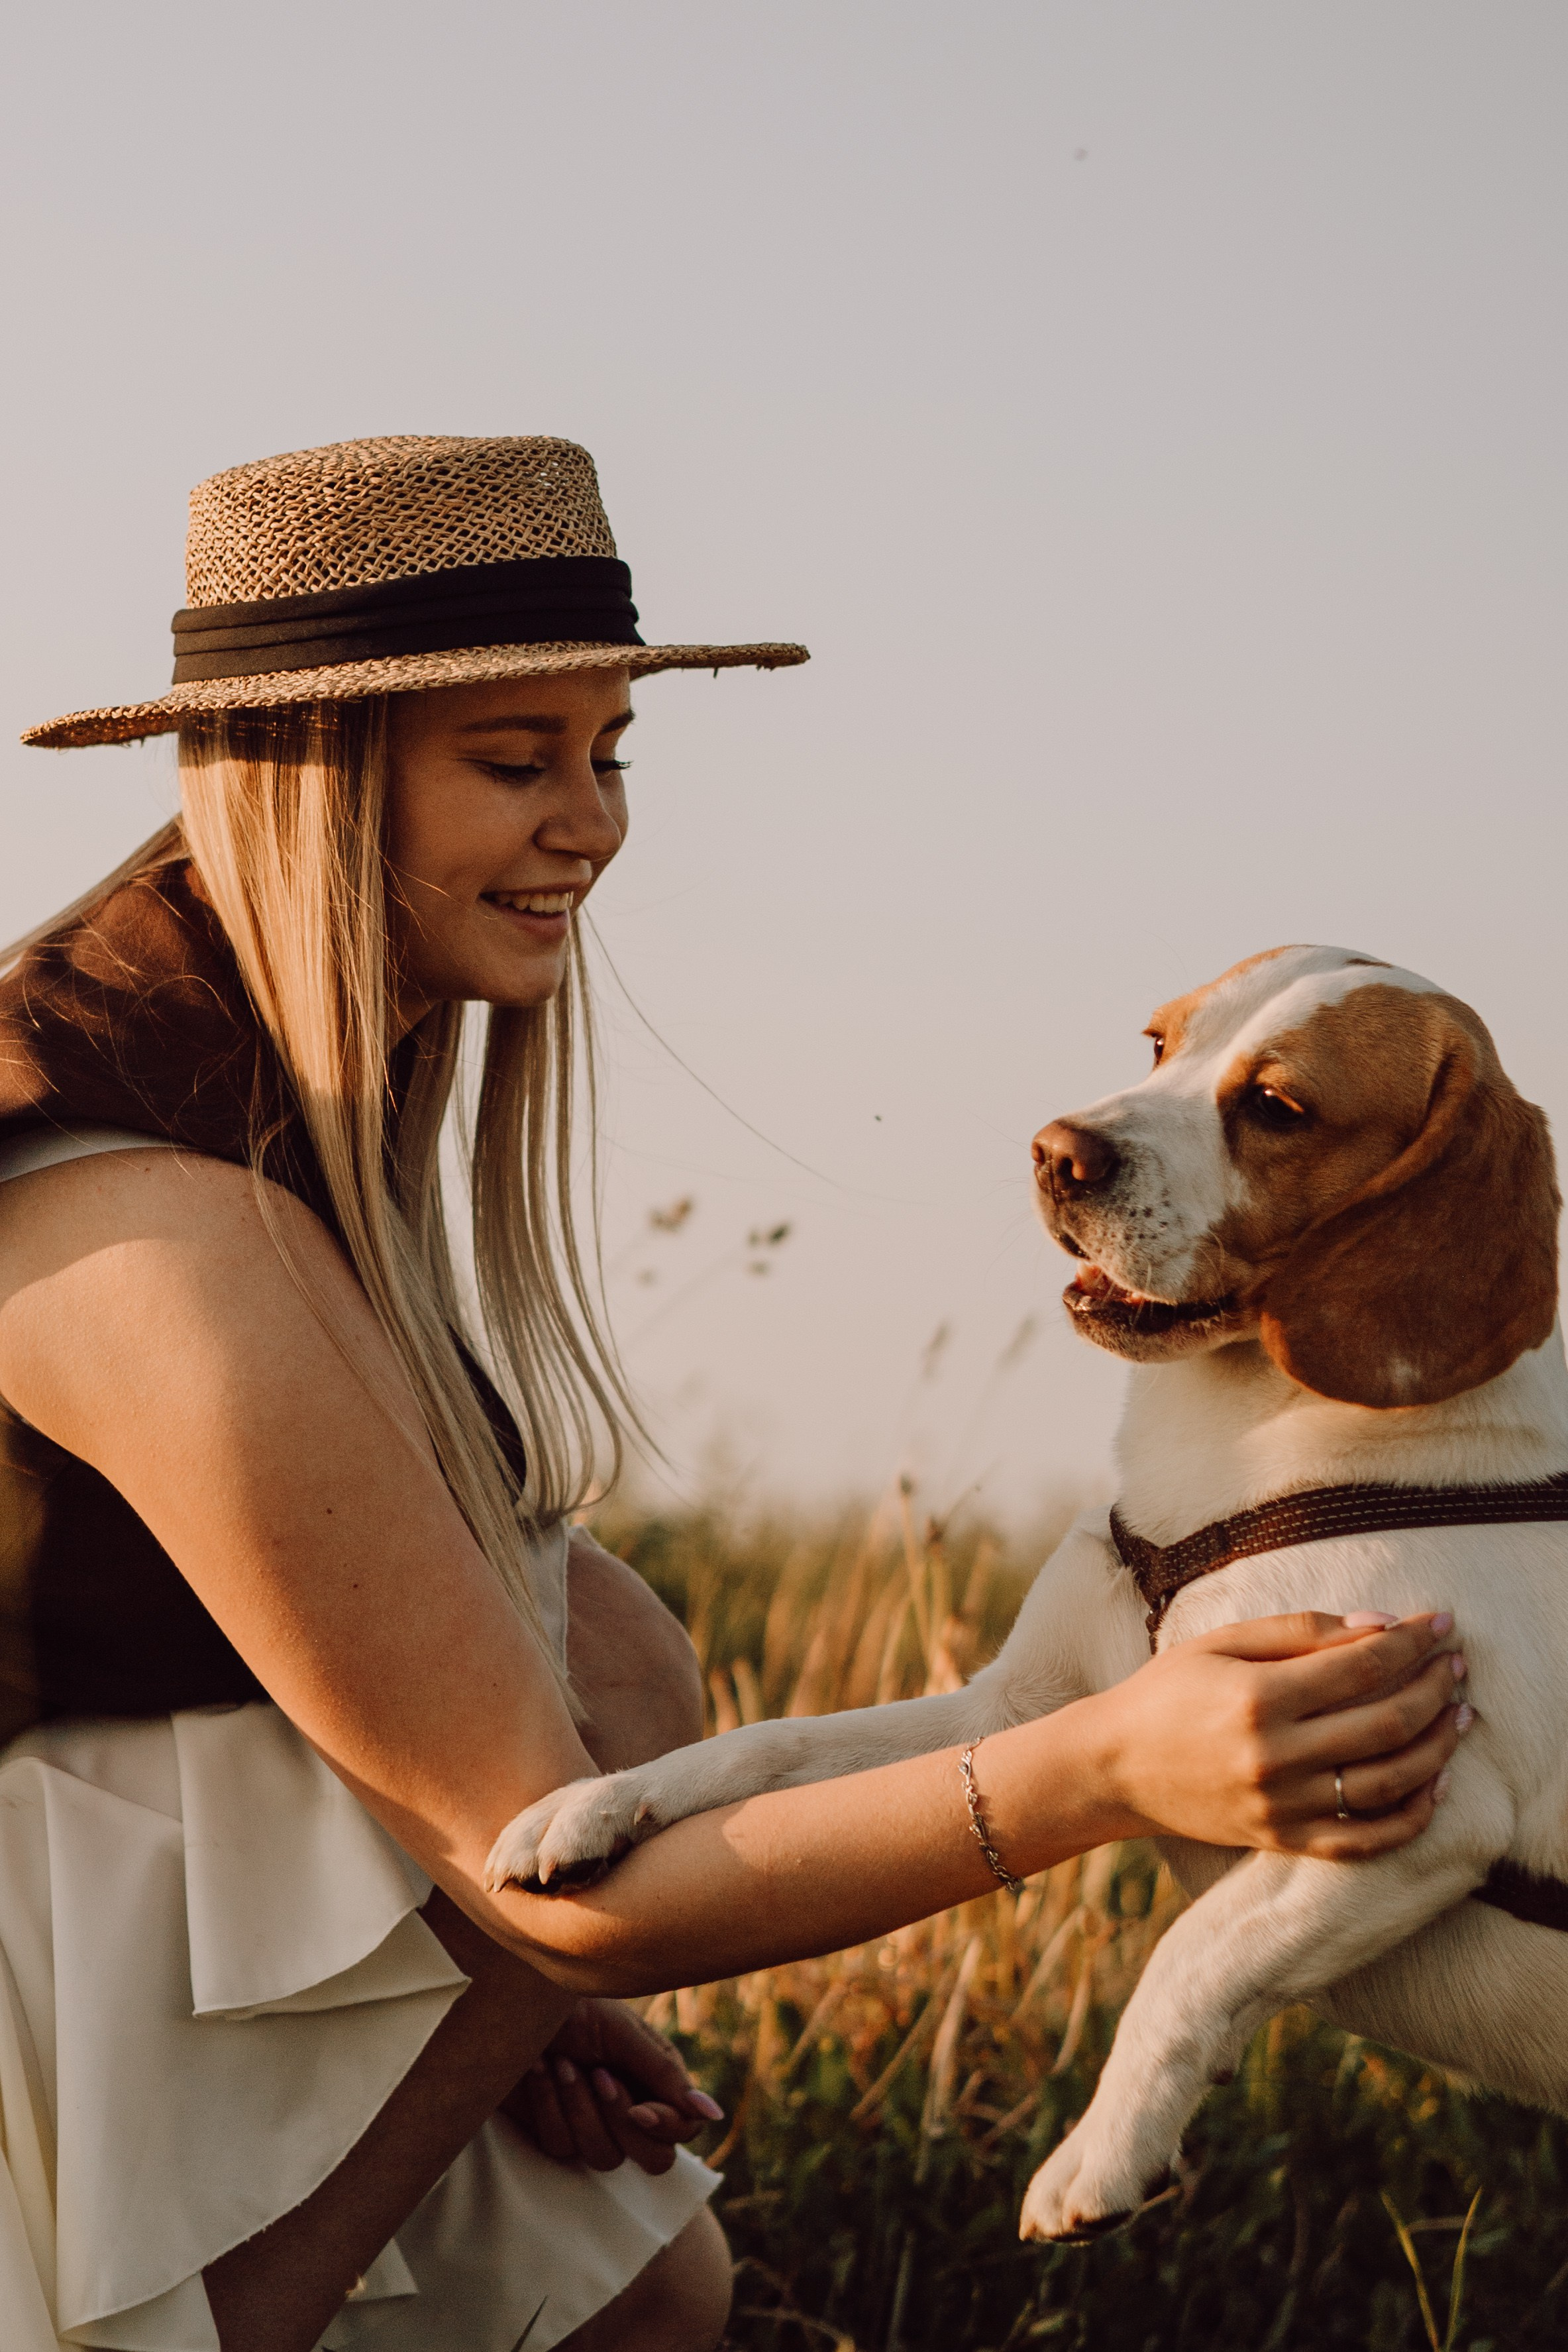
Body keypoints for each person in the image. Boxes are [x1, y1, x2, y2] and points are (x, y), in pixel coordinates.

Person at [0, 436, 1465, 2352]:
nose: (592, 824)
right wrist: (1108, 1763)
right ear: (319, 776)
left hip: (130, 1876)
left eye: (609, 755)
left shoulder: (265, 1056)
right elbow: (554, 1859)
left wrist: (489, 1997)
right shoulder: (144, 1214)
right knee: (600, 1720)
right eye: (515, 764)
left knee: (642, 2266)